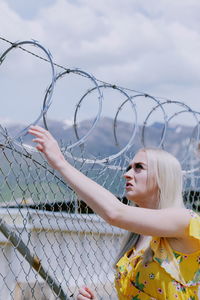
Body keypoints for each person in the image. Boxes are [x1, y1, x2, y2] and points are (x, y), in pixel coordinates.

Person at [28, 125, 200, 300]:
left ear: (162, 177)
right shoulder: (136, 237)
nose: (127, 174)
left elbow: (114, 212)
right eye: (129, 168)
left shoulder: (185, 220)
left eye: (139, 167)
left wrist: (61, 163)